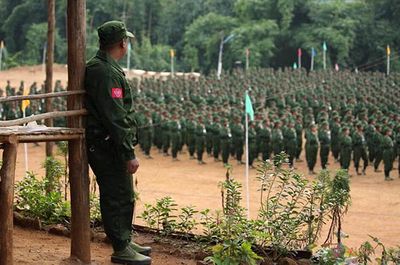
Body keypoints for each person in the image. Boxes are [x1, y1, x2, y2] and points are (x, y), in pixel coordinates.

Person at [85, 21, 151, 265]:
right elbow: (115, 117)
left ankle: (123, 239)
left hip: (108, 142)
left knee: (124, 192)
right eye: (127, 41)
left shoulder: (103, 67)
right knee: (117, 193)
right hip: (107, 144)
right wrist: (128, 153)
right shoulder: (105, 72)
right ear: (122, 43)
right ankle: (120, 247)